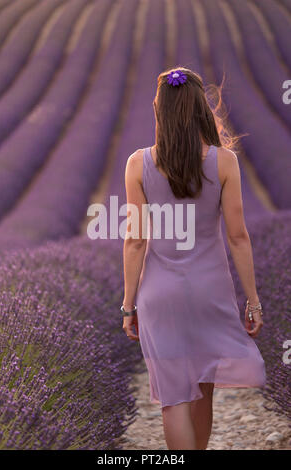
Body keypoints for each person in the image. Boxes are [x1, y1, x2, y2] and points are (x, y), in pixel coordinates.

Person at [121, 67, 266, 450]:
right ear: (202, 108)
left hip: (159, 293)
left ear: (159, 110)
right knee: (203, 388)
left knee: (173, 399)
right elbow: (238, 237)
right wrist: (253, 301)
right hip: (210, 291)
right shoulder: (224, 163)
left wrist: (127, 304)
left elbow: (135, 241)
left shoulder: (138, 164)